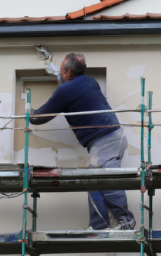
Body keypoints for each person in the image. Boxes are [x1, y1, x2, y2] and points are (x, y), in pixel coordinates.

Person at [30, 53, 136, 230]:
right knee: (93, 179)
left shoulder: (64, 91)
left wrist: (30, 115)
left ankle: (125, 220)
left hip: (106, 140)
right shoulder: (89, 81)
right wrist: (58, 73)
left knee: (106, 179)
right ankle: (99, 225)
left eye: (62, 71)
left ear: (68, 72)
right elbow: (69, 87)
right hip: (109, 138)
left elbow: (41, 117)